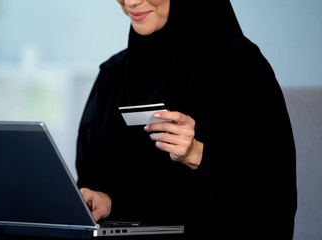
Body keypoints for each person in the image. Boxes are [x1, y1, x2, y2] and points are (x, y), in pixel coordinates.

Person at [76, 1, 297, 239]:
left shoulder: (239, 64)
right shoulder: (113, 75)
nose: (130, 2)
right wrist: (104, 200)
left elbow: (273, 195)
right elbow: (95, 175)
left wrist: (197, 154)